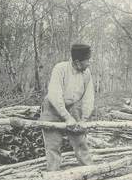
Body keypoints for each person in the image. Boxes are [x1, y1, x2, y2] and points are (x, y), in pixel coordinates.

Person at [40, 43, 94, 171]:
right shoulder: (60, 69)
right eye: (87, 60)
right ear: (77, 62)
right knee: (53, 145)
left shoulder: (86, 73)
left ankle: (91, 171)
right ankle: (53, 176)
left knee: (80, 141)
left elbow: (88, 97)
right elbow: (54, 95)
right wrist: (66, 117)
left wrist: (84, 119)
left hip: (72, 106)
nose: (89, 63)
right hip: (52, 107)